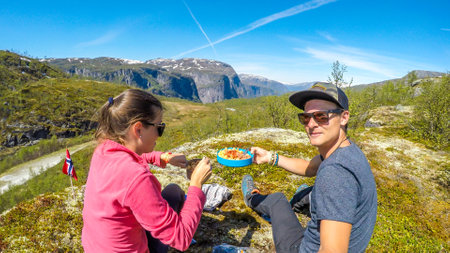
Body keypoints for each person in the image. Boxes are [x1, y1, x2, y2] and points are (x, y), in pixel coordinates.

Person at [242, 82, 377, 253]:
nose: (311, 124)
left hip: (301, 249)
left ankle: (251, 198)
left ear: (344, 117)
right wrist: (270, 157)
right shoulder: (346, 149)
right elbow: (310, 168)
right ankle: (302, 203)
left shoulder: (335, 174)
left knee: (277, 200)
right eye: (306, 117)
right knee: (313, 191)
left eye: (322, 116)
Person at [82, 89, 212, 253]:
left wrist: (162, 157)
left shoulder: (103, 150)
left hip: (96, 247)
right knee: (176, 195)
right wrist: (196, 184)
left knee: (173, 191)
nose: (160, 134)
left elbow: (129, 161)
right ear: (138, 129)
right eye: (159, 127)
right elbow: (182, 239)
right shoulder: (136, 177)